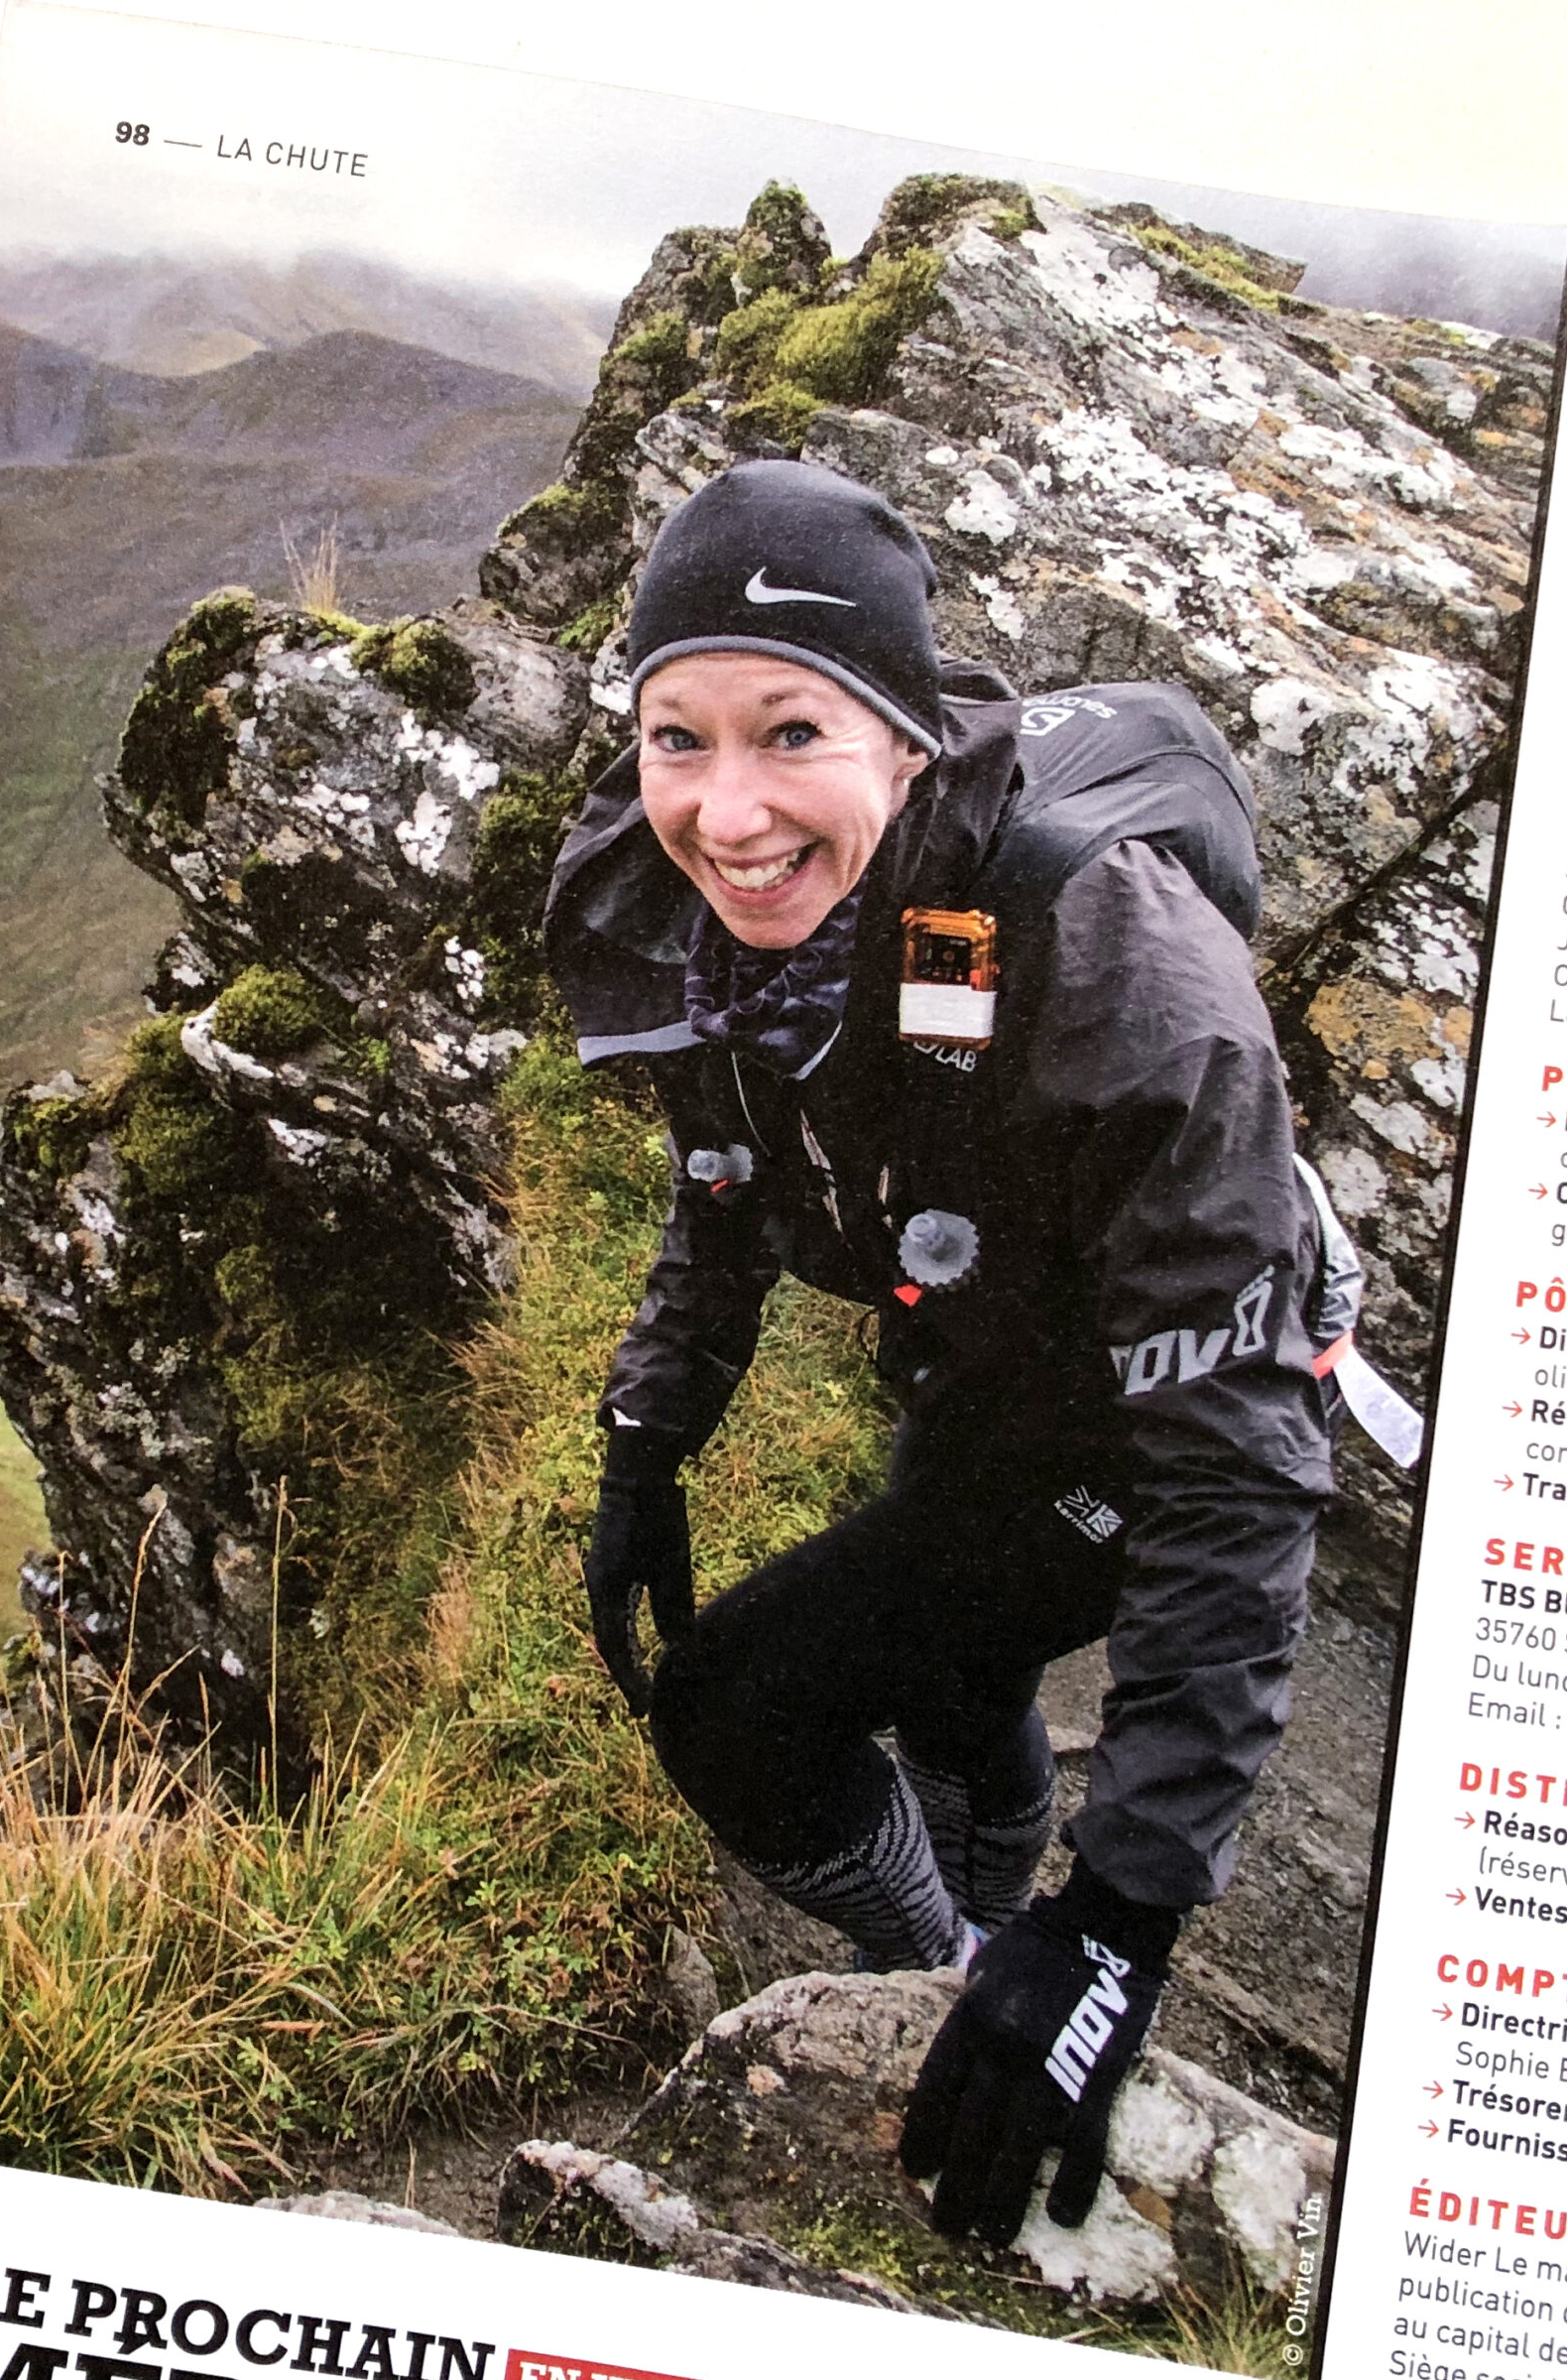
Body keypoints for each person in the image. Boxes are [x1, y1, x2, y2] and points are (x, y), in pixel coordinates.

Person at [543, 457, 1343, 2247]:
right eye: (677, 736)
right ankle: (966, 1894)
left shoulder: (1118, 968)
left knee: (737, 1707)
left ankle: (944, 1963)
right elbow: (723, 1169)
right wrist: (645, 1438)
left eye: (791, 731)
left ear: (904, 741)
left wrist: (1116, 1921)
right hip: (972, 1346)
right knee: (956, 1654)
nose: (726, 809)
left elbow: (1236, 1475)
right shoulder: (692, 914)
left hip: (1137, 1413)